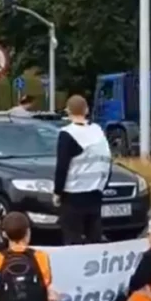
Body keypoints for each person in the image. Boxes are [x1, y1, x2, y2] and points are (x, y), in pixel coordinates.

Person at [53, 94, 112, 245]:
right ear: (86, 110)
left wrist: (58, 192)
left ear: (68, 111)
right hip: (95, 194)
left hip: (73, 196)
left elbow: (62, 166)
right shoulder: (98, 131)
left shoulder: (67, 134)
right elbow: (107, 162)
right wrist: (101, 187)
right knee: (94, 237)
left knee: (73, 239)